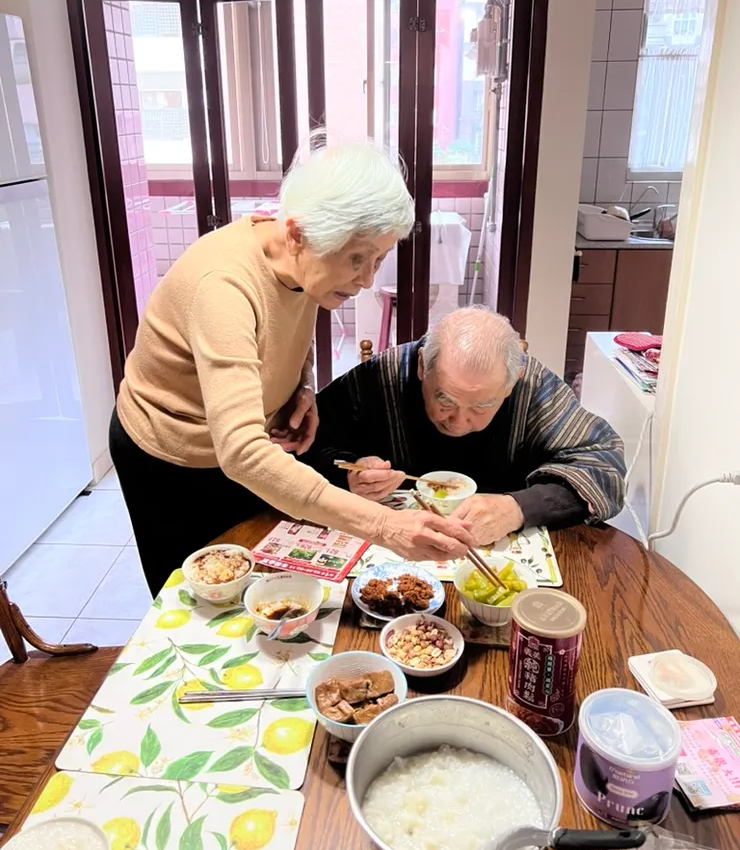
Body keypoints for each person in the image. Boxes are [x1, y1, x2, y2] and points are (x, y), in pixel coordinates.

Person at [110, 140, 473, 594]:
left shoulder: (302, 260)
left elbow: (290, 322)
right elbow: (242, 453)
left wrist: (301, 388)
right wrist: (385, 526)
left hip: (237, 445)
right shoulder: (222, 287)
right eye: (356, 259)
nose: (365, 279)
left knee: (259, 580)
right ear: (298, 234)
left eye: (377, 259)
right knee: (198, 593)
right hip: (169, 453)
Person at [304, 307, 626, 547]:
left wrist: (518, 508)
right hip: (392, 554)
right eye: (445, 401)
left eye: (482, 406)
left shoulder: (534, 389)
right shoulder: (383, 377)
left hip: (497, 558)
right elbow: (305, 443)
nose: (458, 422)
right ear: (421, 367)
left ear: (511, 384)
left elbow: (604, 465)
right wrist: (349, 474)